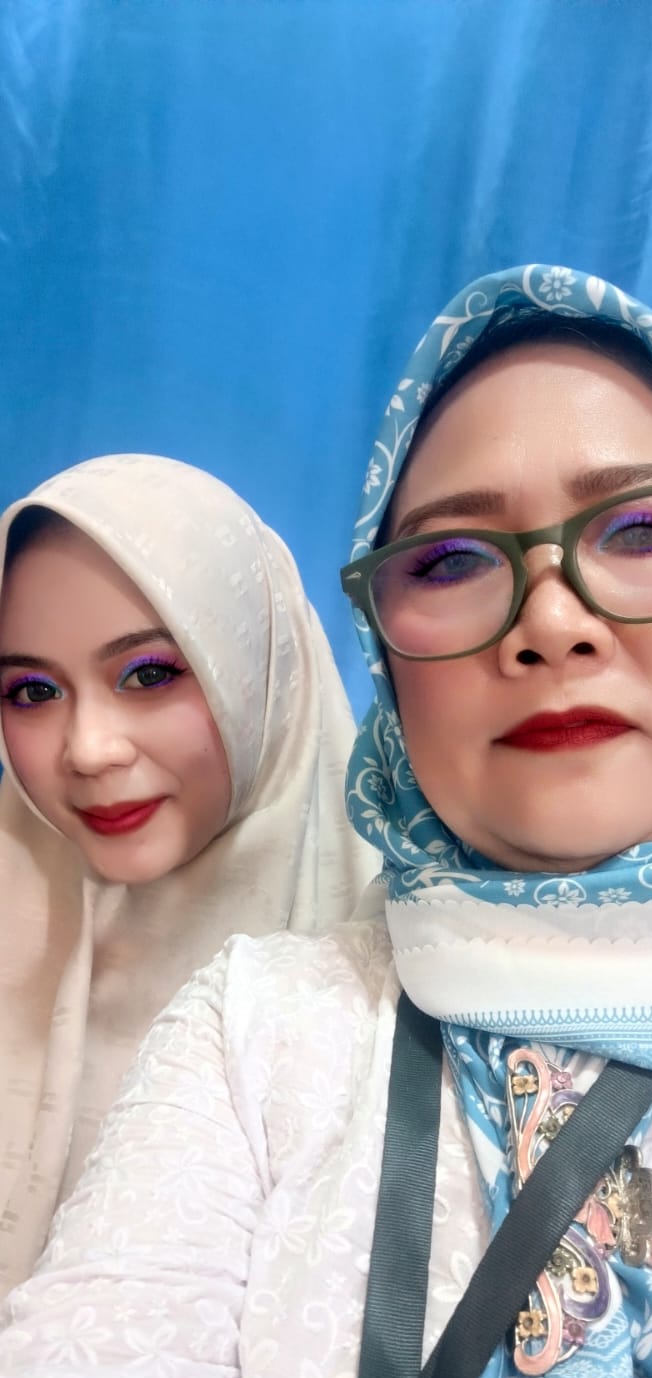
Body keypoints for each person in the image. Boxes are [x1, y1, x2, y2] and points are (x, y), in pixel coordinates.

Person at [1, 268, 652, 1378]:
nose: (552, 621)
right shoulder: (265, 1028)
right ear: (380, 653)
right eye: (449, 559)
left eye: (643, 530)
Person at [0, 453, 377, 1295]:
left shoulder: (408, 993)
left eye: (148, 674)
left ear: (263, 673)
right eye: (31, 691)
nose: (88, 749)